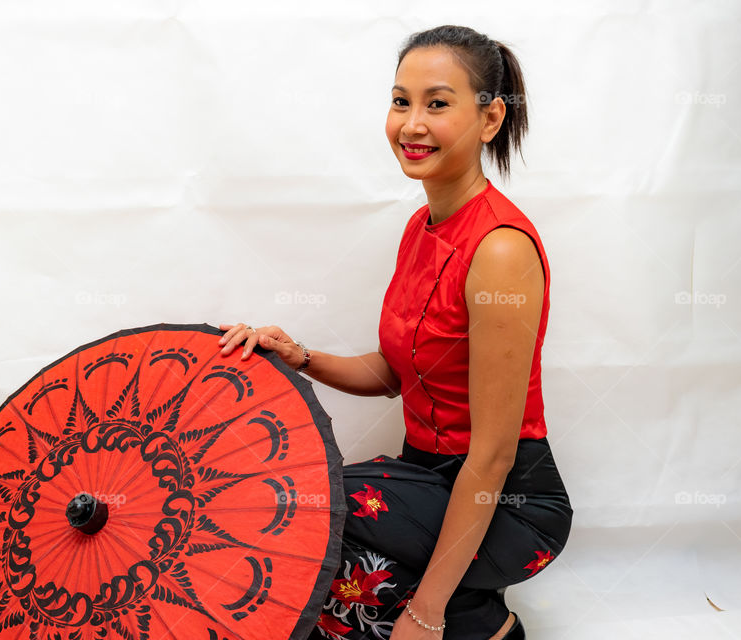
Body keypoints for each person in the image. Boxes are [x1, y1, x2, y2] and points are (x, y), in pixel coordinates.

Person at [218, 24, 573, 640]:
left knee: (318, 505)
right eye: (400, 101)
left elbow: (491, 456)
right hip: (425, 479)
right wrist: (296, 355)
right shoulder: (419, 228)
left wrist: (423, 610)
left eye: (437, 103)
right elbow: (392, 372)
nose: (411, 124)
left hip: (510, 501)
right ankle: (477, 618)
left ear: (489, 119)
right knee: (313, 548)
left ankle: (465, 617)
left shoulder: (499, 250)